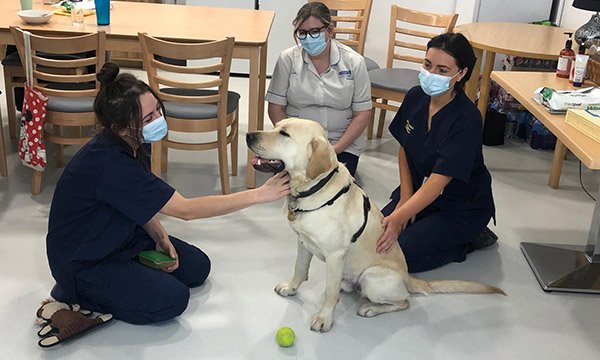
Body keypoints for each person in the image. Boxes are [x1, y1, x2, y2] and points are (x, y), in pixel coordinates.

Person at [46, 63, 291, 325]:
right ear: (120, 128)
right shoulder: (110, 164)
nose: (158, 120)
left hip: (120, 236)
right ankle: (75, 292)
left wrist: (159, 235)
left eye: (157, 110)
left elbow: (138, 201)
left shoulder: (136, 143)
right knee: (172, 299)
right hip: (85, 261)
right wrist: (258, 194)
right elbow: (185, 210)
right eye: (148, 118)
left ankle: (128, 276)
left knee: (198, 267)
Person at [375, 33, 497, 273]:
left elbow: (440, 181)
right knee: (374, 238)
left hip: (460, 205)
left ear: (461, 74)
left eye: (442, 70)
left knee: (402, 255)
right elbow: (405, 147)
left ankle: (471, 239)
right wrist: (405, 199)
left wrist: (401, 217)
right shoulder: (415, 96)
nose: (431, 74)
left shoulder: (466, 119)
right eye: (427, 65)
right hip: (421, 190)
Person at [266, 1, 372, 176]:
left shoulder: (354, 62)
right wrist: (294, 144)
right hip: (297, 144)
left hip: (340, 143)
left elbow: (362, 114)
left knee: (331, 186)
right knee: (296, 185)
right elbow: (275, 107)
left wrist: (335, 148)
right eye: (302, 33)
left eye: (315, 32)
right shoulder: (288, 59)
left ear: (329, 30)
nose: (308, 38)